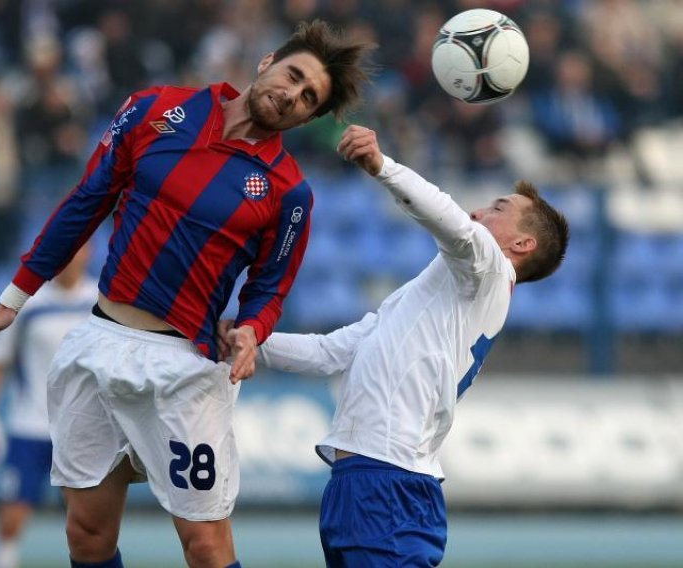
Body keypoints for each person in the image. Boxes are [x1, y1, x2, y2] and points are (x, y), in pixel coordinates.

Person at [0, 20, 376, 568]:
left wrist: (252, 329)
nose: (291, 95)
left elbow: (270, 287)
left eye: (308, 99)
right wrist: (12, 300)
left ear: (307, 117)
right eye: (293, 76)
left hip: (183, 368)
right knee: (86, 534)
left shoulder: (288, 190)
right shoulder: (154, 107)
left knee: (203, 546)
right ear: (266, 61)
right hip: (100, 343)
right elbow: (87, 202)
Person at [233, 124, 569, 567]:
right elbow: (329, 352)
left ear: (521, 244)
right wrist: (246, 337)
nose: (478, 211)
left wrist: (381, 166)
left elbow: (456, 226)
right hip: (359, 480)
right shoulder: (428, 300)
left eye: (498, 207)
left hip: (388, 481)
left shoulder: (490, 273)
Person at [0, 245, 98, 568]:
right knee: (12, 518)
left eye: (80, 249)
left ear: (90, 252)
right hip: (30, 425)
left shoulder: (101, 302)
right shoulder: (27, 303)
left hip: (81, 431)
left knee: (87, 528)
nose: (71, 256)